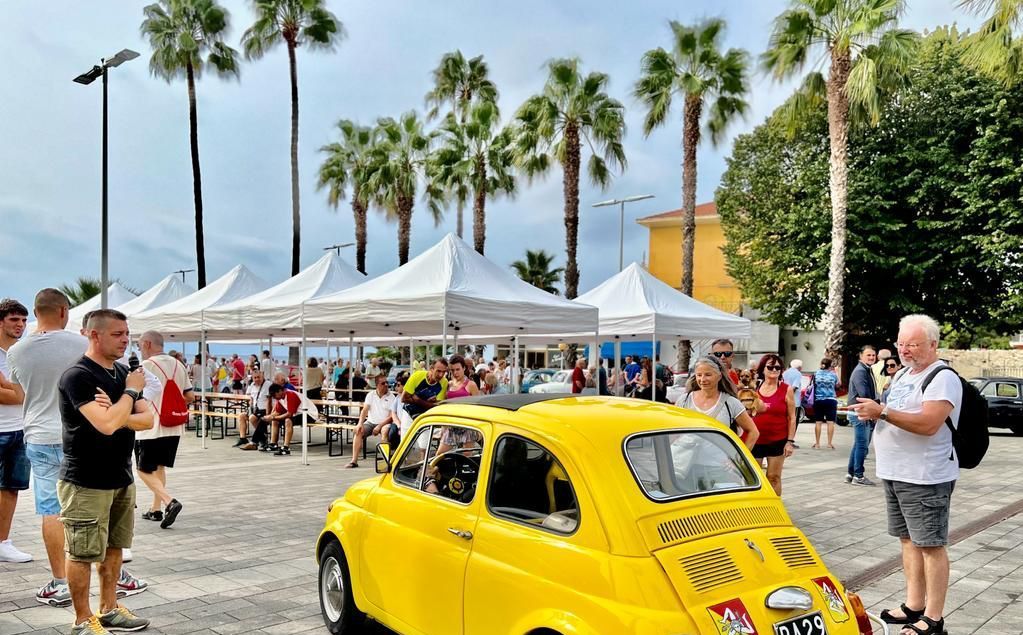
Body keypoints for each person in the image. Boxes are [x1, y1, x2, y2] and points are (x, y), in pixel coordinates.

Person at [8, 291, 148, 606]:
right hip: (90, 436)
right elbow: (130, 406)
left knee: (52, 510)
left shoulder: (17, 351)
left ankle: (60, 581)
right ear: (63, 311)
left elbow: (19, 395)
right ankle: (107, 590)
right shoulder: (81, 345)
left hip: (42, 435)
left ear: (35, 312)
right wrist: (121, 410)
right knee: (102, 516)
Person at [848, 315, 962, 635]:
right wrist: (872, 410)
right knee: (908, 541)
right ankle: (914, 605)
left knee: (930, 545)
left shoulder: (942, 377)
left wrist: (881, 411)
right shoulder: (903, 376)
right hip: (896, 472)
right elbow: (893, 413)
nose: (904, 350)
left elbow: (928, 424)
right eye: (900, 344)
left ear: (933, 344)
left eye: (912, 344)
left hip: (925, 475)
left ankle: (934, 617)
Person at [57, 309, 154, 634]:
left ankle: (109, 608)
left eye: (127, 333)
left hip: (121, 477)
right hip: (85, 480)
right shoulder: (78, 375)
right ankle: (82, 620)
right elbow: (106, 425)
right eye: (117, 334)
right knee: (83, 552)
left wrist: (116, 409)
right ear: (93, 335)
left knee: (115, 548)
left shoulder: (124, 372)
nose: (126, 340)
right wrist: (128, 395)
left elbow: (147, 420)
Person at [136, 331, 192, 528]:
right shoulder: (179, 364)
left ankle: (169, 502)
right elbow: (190, 395)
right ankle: (155, 509)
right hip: (174, 425)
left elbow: (135, 395)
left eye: (139, 345)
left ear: (148, 344)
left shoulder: (145, 366)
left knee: (142, 470)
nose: (138, 349)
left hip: (150, 426)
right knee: (159, 467)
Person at [0, 298, 31, 563]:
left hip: (21, 429)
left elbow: (32, 391)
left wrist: (8, 386)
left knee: (12, 488)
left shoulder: (23, 353)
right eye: (14, 320)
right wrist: (20, 391)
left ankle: (3, 542)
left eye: (23, 320)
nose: (20, 325)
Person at [675, 356, 759, 450]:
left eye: (708, 375)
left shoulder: (730, 403)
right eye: (699, 375)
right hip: (686, 462)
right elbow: (673, 432)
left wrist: (739, 459)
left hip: (718, 463)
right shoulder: (684, 400)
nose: (702, 379)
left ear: (719, 376)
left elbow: (753, 432)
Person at [752, 353, 796, 496]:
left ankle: (775, 510)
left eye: (778, 367)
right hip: (755, 440)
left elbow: (792, 417)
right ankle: (756, 509)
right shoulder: (754, 388)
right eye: (770, 367)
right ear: (763, 369)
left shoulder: (786, 389)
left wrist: (790, 442)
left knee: (773, 477)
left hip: (777, 440)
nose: (774, 370)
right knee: (754, 479)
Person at [346, 375, 397, 468]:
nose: (386, 385)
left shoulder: (392, 396)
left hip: (385, 423)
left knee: (385, 431)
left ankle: (385, 461)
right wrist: (360, 424)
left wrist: (379, 426)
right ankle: (354, 460)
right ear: (377, 385)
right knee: (358, 431)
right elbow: (364, 410)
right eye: (383, 383)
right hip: (370, 422)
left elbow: (391, 416)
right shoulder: (370, 395)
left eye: (387, 383)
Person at [845, 345, 878, 486]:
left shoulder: (865, 369)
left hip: (860, 411)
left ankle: (850, 474)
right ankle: (858, 476)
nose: (871, 357)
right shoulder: (860, 371)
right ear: (861, 356)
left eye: (873, 355)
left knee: (858, 444)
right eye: (868, 355)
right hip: (860, 412)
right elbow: (863, 394)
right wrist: (874, 407)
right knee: (862, 445)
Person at [265, 382, 302, 456]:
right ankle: (273, 444)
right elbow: (278, 412)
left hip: (307, 413)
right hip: (297, 414)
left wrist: (273, 417)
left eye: (275, 395)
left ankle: (286, 447)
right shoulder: (280, 398)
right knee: (275, 421)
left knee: (288, 420)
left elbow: (289, 414)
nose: (275, 398)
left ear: (280, 391)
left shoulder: (290, 394)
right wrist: (269, 417)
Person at [237, 371, 271, 450]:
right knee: (241, 416)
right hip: (255, 409)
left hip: (264, 409)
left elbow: (269, 401)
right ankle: (243, 439)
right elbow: (250, 397)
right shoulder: (252, 385)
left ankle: (260, 440)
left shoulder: (267, 384)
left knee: (252, 418)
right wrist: (250, 406)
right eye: (255, 378)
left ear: (262, 377)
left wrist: (268, 414)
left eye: (258, 377)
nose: (257, 379)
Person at [813, 358, 840, 450]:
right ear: (830, 365)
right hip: (831, 400)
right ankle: (829, 443)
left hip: (818, 400)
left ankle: (817, 443)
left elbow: (813, 386)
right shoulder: (833, 375)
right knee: (830, 422)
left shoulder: (816, 374)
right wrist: (836, 372)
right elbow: (838, 385)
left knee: (818, 422)